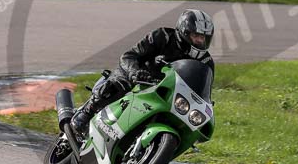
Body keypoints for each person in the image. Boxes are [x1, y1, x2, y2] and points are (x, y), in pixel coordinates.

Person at [71, 9, 215, 139]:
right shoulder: (162, 36)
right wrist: (135, 72)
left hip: (167, 90)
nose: (200, 41)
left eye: (204, 38)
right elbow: (129, 56)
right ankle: (86, 113)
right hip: (139, 76)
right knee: (118, 84)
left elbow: (203, 90)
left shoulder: (206, 61)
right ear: (184, 31)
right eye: (196, 35)